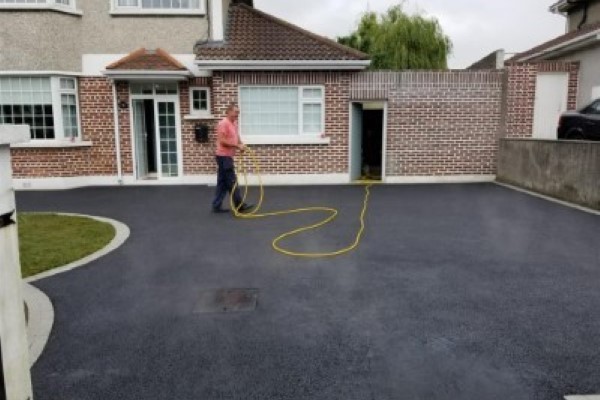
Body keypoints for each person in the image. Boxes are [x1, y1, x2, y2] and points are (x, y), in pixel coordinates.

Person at [211, 103, 253, 213]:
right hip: (223, 157)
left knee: (222, 182)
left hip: (227, 156)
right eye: (236, 112)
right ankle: (239, 206)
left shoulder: (234, 123)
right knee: (232, 181)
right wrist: (237, 146)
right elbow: (222, 141)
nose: (237, 115)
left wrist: (241, 145)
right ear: (229, 111)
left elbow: (236, 136)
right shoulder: (223, 124)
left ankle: (216, 205)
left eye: (238, 113)